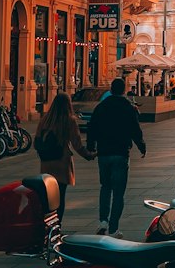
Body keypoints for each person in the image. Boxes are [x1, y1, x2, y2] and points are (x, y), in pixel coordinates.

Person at [86, 78, 146, 237]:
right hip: (121, 153)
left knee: (105, 187)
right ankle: (113, 228)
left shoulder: (101, 107)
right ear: (124, 90)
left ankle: (103, 221)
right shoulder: (128, 107)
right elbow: (135, 129)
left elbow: (91, 128)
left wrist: (91, 147)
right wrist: (141, 145)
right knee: (118, 193)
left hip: (104, 153)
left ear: (111, 90)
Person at [33, 91, 93, 222]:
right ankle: (57, 227)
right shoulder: (69, 120)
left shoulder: (45, 119)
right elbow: (77, 144)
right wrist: (89, 155)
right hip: (61, 163)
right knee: (59, 198)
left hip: (47, 163)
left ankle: (47, 225)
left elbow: (36, 140)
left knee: (49, 198)